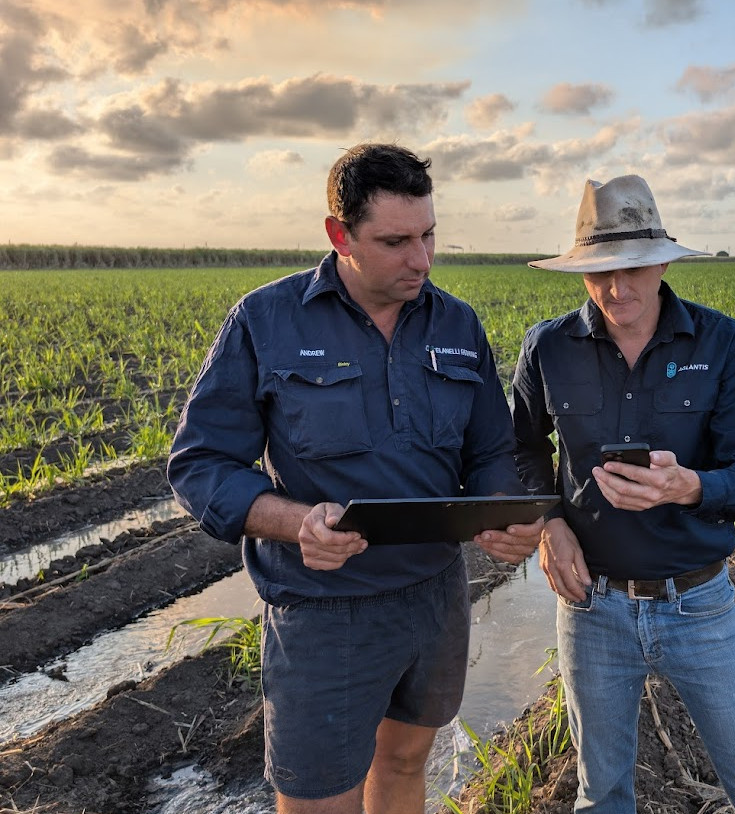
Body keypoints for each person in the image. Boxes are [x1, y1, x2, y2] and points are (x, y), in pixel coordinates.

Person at [167, 143, 542, 814]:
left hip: (434, 598)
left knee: (403, 763)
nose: (421, 260)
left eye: (429, 235)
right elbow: (200, 465)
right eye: (395, 241)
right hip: (323, 605)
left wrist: (500, 513)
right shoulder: (266, 320)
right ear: (339, 236)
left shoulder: (456, 323)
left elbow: (489, 449)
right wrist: (295, 522)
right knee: (318, 797)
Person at [511, 174, 735, 813]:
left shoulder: (724, 345)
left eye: (633, 269)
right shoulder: (548, 349)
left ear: (663, 260)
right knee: (603, 792)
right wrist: (550, 525)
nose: (617, 289)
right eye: (599, 272)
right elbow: (521, 451)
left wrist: (689, 485)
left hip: (698, 604)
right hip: (591, 610)